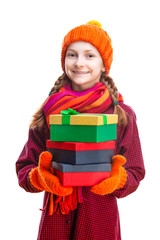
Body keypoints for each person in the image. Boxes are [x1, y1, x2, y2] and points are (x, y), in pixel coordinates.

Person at [16, 20, 145, 240]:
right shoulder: (49, 112)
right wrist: (39, 177)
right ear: (63, 60)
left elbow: (136, 171)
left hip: (98, 223)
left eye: (89, 55)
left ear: (104, 64)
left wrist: (118, 179)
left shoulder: (121, 115)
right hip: (56, 223)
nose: (79, 63)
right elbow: (24, 167)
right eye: (72, 54)